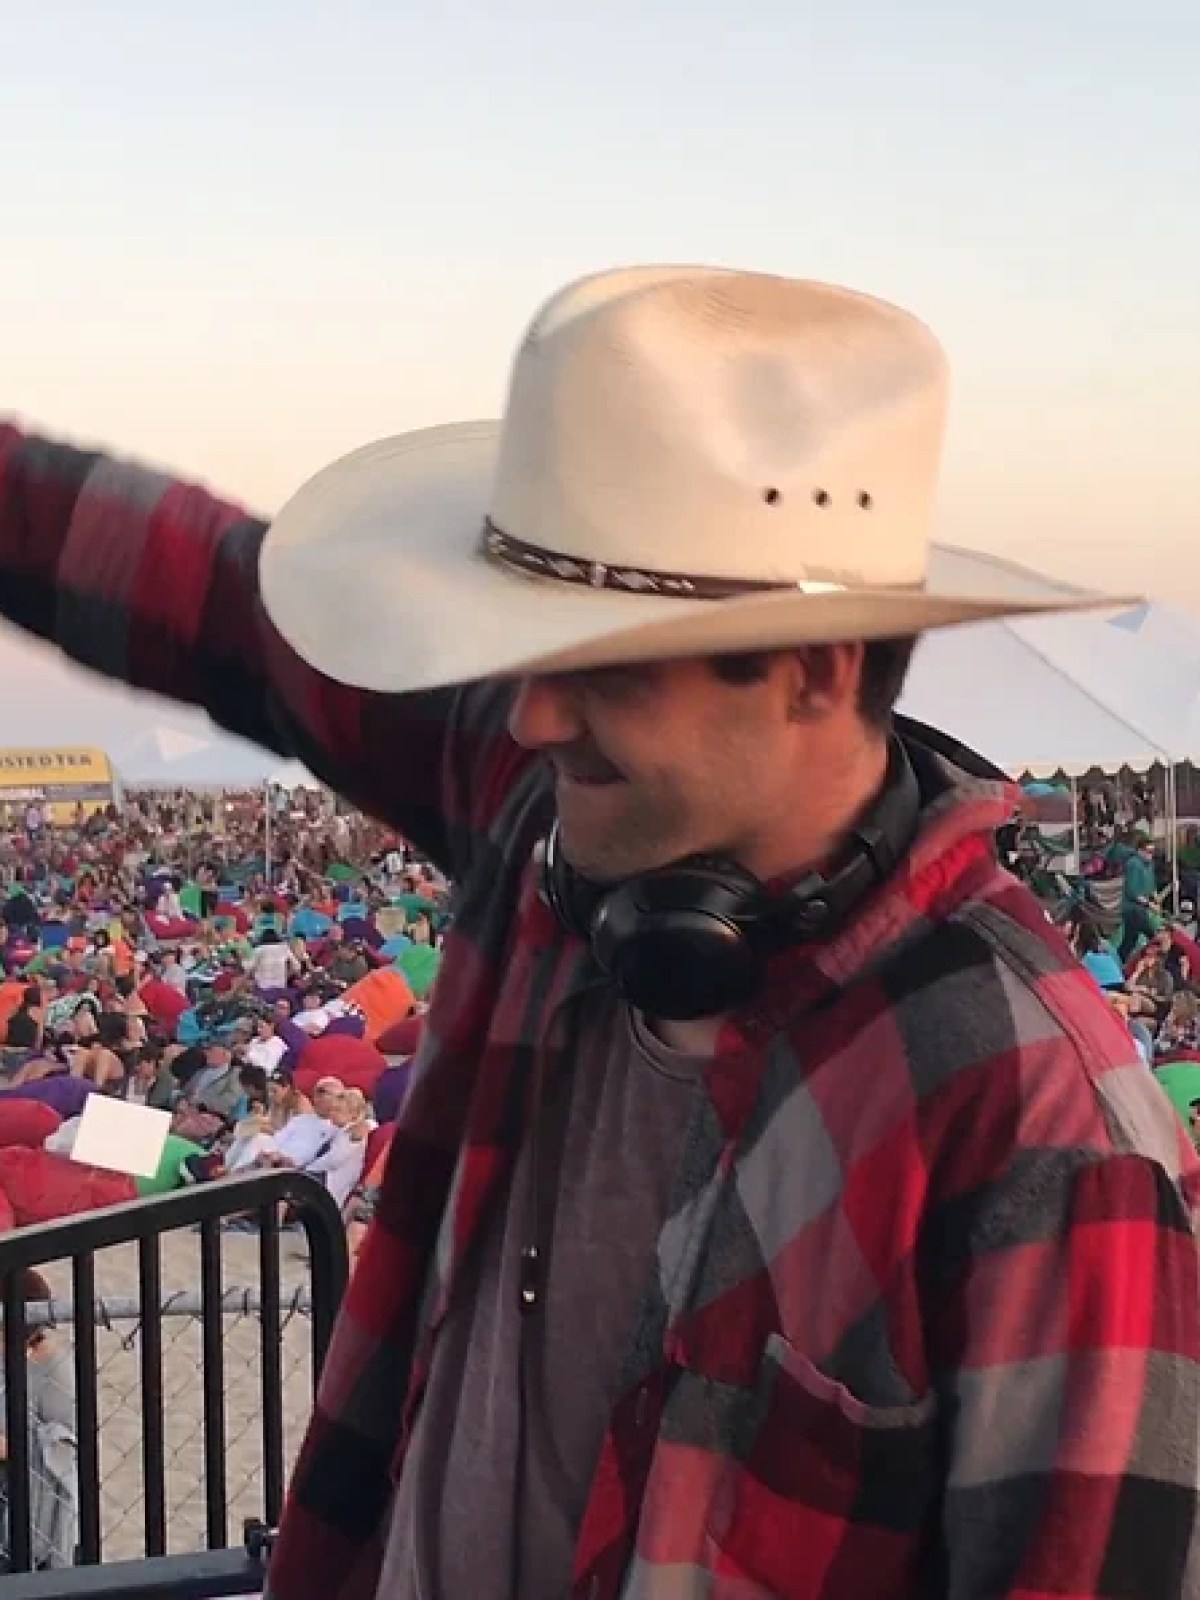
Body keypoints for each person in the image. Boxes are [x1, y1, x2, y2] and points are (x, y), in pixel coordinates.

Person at [1, 267, 1196, 1600]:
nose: (533, 717)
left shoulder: (1042, 1129)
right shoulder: (549, 825)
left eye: (603, 663)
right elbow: (216, 601)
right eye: (524, 652)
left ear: (817, 666)